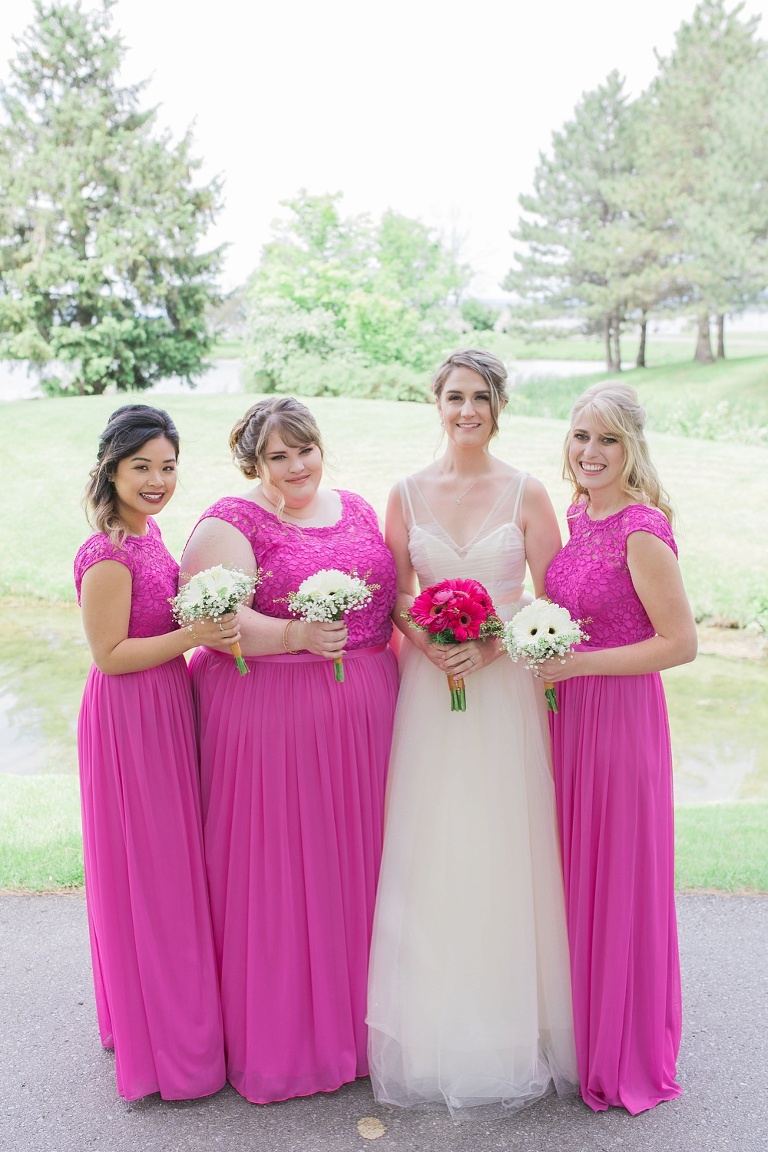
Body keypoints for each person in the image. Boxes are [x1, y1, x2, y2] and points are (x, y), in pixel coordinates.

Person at [367, 349, 578, 1116]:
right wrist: (430, 643)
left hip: (503, 690)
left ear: (498, 406)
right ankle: (434, 1031)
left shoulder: (527, 491)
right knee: (434, 846)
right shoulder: (404, 492)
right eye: (454, 396)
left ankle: (514, 1023)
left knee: (500, 844)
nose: (466, 410)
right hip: (431, 690)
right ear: (436, 402)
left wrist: (491, 647)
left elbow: (556, 607)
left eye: (480, 398)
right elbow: (395, 597)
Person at [180, 395, 399, 1105]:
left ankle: (369, 1031)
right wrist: (295, 636)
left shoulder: (361, 508)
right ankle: (289, 1041)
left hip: (366, 713)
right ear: (254, 461)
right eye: (279, 455)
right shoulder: (231, 522)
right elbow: (213, 613)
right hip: (274, 718)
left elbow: (392, 599)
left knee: (360, 868)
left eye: (305, 449)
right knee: (287, 870)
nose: (297, 465)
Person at [538, 381, 697, 1114]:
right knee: (577, 869)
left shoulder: (640, 528)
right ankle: (582, 1029)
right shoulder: (577, 514)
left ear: (631, 446)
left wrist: (580, 665)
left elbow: (680, 644)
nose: (590, 452)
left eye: (606, 439)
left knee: (618, 871)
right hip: (571, 718)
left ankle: (623, 1044)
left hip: (621, 720)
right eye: (580, 437)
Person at [75, 404, 238, 1101]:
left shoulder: (151, 534)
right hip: (130, 715)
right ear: (111, 468)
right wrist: (194, 634)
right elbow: (109, 655)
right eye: (142, 466)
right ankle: (165, 1045)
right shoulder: (107, 554)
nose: (157, 479)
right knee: (150, 869)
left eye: (167, 466)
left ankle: (175, 1019)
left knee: (174, 864)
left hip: (168, 704)